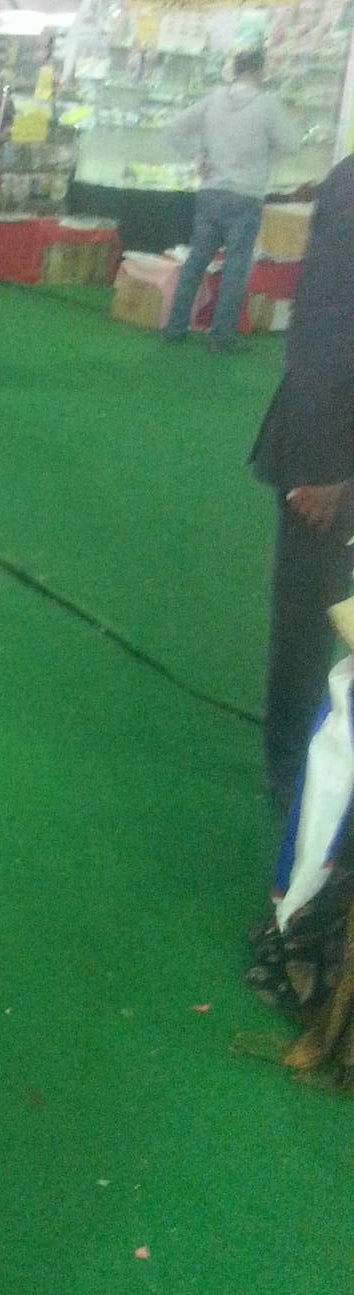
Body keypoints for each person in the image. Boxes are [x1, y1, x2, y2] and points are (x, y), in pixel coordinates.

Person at [251, 154, 354, 811]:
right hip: (330, 447)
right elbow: (325, 329)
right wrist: (325, 468)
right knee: (309, 617)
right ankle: (292, 772)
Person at [161, 46, 300, 351]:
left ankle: (175, 326)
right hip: (246, 195)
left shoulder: (213, 99)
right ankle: (222, 337)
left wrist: (197, 156)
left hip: (211, 191)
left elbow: (174, 129)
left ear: (234, 70)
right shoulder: (268, 105)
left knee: (196, 262)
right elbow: (292, 144)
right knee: (236, 268)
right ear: (261, 71)